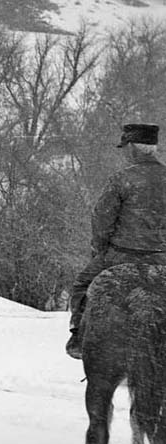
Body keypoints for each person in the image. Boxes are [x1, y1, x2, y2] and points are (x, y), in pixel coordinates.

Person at [65, 122, 166, 359]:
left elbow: (102, 219)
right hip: (163, 258)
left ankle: (79, 336)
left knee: (82, 285)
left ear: (131, 148)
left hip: (121, 255)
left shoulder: (121, 179)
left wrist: (100, 249)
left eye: (126, 148)